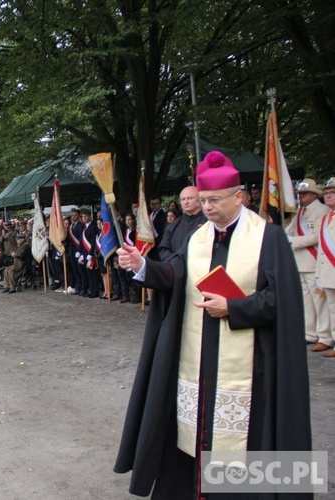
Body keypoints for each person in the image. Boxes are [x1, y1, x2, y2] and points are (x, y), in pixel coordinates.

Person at [114, 151, 311, 498]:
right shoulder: (198, 237)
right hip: (200, 362)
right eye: (202, 200)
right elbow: (176, 274)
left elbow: (282, 301)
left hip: (251, 365)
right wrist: (141, 265)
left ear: (239, 196)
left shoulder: (269, 238)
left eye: (214, 200)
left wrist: (235, 307)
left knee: (248, 441)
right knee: (195, 431)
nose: (206, 207)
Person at [285, 179, 330, 350]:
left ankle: (324, 336)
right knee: (306, 302)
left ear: (313, 195)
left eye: (304, 194)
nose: (301, 196)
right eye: (300, 194)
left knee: (319, 302)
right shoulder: (300, 211)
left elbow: (317, 237)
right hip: (300, 262)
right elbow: (288, 230)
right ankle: (310, 333)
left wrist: (292, 240)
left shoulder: (322, 210)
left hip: (313, 262)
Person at [158, 185, 207, 261]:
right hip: (179, 269)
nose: (186, 202)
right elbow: (163, 250)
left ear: (200, 199)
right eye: (183, 199)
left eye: (190, 198)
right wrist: (176, 261)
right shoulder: (172, 227)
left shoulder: (210, 222)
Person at [314, 177, 335, 357]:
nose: (328, 196)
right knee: (332, 309)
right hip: (328, 272)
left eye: (332, 193)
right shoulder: (327, 216)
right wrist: (319, 274)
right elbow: (322, 247)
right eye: (326, 193)